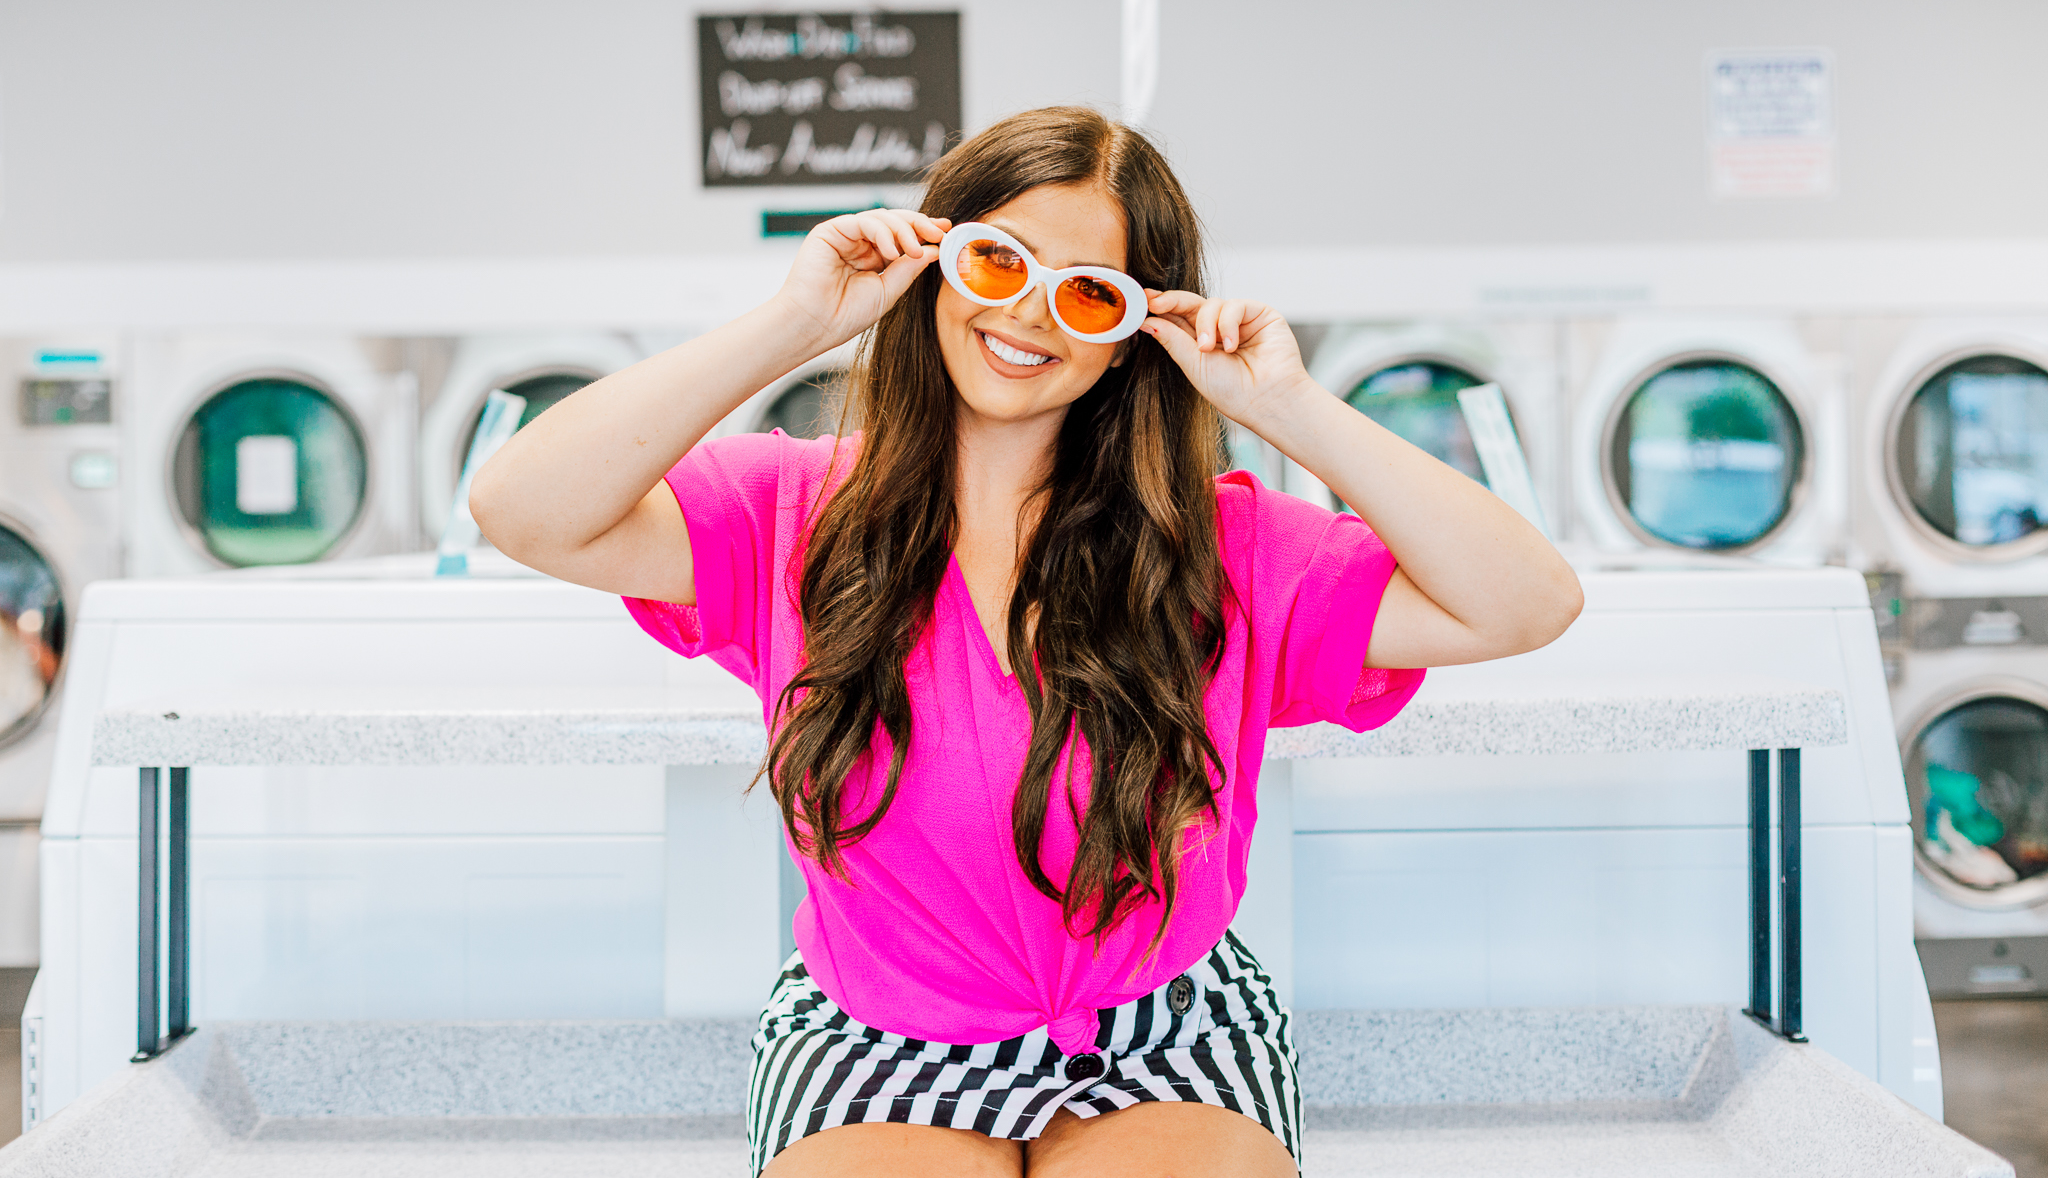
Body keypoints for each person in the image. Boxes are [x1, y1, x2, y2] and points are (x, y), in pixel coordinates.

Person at [471, 106, 1582, 1177]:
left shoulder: (1219, 548)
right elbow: (522, 506)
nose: (1032, 314)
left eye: (1088, 293)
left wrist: (1287, 405)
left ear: (1129, 334)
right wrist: (796, 324)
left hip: (1167, 1039)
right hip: (874, 1037)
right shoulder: (788, 518)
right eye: (1001, 263)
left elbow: (1524, 602)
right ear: (938, 262)